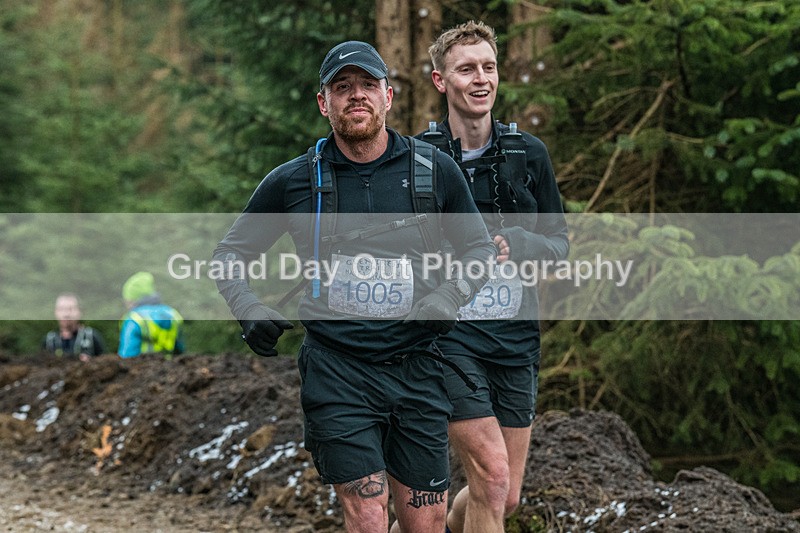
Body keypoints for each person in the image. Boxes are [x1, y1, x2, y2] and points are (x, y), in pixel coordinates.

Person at [213, 40, 496, 533]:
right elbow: (230, 255)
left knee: (425, 521)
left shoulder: (433, 171)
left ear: (388, 96)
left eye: (368, 84)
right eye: (342, 87)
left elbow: (479, 250)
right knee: (367, 510)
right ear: (324, 103)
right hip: (337, 370)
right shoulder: (294, 182)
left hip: (417, 367)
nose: (357, 95)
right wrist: (247, 306)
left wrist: (449, 295)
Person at [414, 21, 569, 533]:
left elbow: (560, 247)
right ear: (441, 81)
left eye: (489, 67)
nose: (481, 79)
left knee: (506, 497)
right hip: (449, 339)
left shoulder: (530, 154)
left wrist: (523, 243)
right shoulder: (417, 159)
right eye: (466, 69)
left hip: (515, 338)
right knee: (491, 476)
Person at [118, 271, 185, 358]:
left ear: (133, 300)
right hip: (169, 365)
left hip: (141, 366)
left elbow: (127, 354)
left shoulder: (134, 318)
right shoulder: (173, 314)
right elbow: (179, 350)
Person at [43, 293, 106, 362]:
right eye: (61, 309)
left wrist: (92, 362)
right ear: (55, 312)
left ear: (80, 311)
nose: (66, 314)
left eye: (71, 309)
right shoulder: (49, 340)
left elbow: (106, 362)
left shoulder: (91, 337)